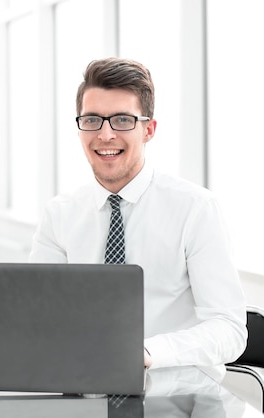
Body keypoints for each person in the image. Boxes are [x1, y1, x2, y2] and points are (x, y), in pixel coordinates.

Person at [29, 57, 246, 378]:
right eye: (92, 120)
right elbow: (36, 313)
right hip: (85, 385)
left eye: (121, 120)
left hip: (180, 395)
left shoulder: (195, 208)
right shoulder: (60, 213)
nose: (104, 135)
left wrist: (146, 353)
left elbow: (230, 330)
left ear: (148, 130)